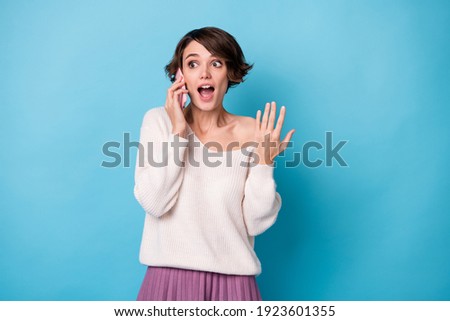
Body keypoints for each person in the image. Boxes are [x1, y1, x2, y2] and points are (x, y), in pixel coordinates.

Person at [134, 26, 295, 301]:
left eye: (216, 63)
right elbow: (155, 202)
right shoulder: (159, 122)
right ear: (180, 76)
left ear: (230, 73)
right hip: (167, 280)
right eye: (193, 63)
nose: (205, 73)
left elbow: (255, 222)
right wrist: (178, 132)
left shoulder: (254, 132)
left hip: (234, 284)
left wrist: (264, 162)